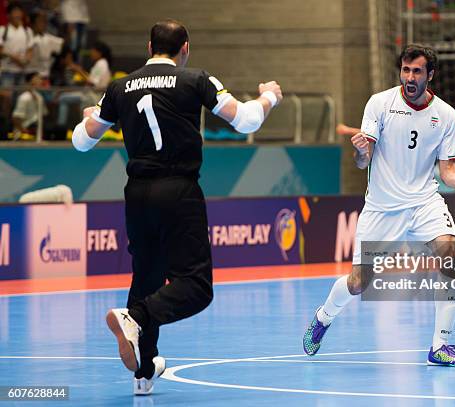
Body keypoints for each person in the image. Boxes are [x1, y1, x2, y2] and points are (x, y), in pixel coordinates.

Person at [71, 19, 283, 395]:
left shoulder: (119, 87)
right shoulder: (196, 79)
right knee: (197, 287)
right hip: (178, 190)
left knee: (147, 276)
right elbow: (246, 119)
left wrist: (90, 117)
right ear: (185, 48)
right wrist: (269, 96)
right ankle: (134, 318)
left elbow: (81, 143)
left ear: (149, 45)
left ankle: (144, 371)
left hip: (136, 195)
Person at [302, 44, 455, 367]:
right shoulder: (380, 103)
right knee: (359, 283)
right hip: (382, 208)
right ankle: (324, 316)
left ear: (430, 75)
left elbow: (448, 171)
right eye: (405, 70)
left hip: (424, 202)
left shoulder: (444, 114)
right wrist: (361, 151)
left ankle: (440, 346)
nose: (409, 77)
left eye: (417, 71)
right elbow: (364, 162)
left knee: (451, 256)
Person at [57, 41, 112, 128]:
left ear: (99, 53)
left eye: (93, 51)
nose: (91, 53)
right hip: (90, 94)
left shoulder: (101, 63)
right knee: (63, 98)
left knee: (63, 98)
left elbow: (93, 83)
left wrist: (79, 71)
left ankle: (60, 127)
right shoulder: (101, 63)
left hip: (93, 96)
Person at [0, 3, 33, 86]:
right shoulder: (3, 30)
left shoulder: (27, 31)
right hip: (7, 71)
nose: (17, 15)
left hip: (22, 70)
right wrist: (13, 57)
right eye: (14, 12)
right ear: (8, 15)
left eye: (19, 12)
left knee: (20, 97)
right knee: (7, 96)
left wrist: (25, 60)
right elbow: (1, 51)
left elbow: (30, 50)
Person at [28, 10, 64, 82]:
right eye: (40, 21)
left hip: (45, 77)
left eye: (44, 21)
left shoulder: (48, 38)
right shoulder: (26, 36)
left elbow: (63, 44)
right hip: (29, 75)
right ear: (32, 23)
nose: (43, 24)